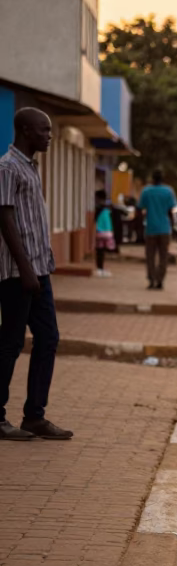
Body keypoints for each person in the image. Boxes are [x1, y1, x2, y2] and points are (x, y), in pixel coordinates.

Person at [0, 108, 72, 441]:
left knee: (48, 338)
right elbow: (5, 219)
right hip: (19, 273)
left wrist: (39, 268)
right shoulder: (7, 168)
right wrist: (26, 269)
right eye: (44, 130)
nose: (49, 135)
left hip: (39, 271)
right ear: (27, 131)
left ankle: (34, 416)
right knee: (11, 343)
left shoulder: (30, 167)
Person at [138, 170, 177, 290]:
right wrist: (173, 226)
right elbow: (171, 211)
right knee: (163, 256)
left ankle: (151, 279)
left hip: (151, 228)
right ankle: (160, 280)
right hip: (164, 228)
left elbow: (140, 208)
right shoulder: (168, 191)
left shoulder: (146, 191)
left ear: (152, 179)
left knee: (150, 256)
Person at [94, 189, 114, 278]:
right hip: (107, 232)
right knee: (101, 251)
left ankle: (100, 268)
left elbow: (95, 220)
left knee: (100, 251)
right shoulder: (107, 208)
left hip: (100, 232)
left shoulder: (99, 208)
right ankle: (100, 268)